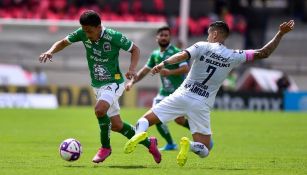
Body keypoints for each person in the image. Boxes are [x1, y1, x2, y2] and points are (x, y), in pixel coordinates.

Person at [123, 20, 295, 166]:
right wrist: (280, 33)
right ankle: (188, 145)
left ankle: (140, 135)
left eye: (208, 34)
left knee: (143, 120)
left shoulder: (202, 46)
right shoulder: (234, 55)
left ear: (214, 35)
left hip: (182, 95)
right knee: (205, 149)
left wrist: (163, 63)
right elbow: (263, 53)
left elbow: (182, 56)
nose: (207, 37)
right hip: (202, 104)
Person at [39, 10, 161, 164]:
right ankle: (150, 143)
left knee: (99, 110)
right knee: (117, 126)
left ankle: (105, 148)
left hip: (114, 82)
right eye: (84, 31)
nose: (87, 34)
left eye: (89, 31)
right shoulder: (83, 33)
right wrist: (50, 51)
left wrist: (131, 69)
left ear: (98, 27)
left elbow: (135, 49)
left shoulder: (113, 36)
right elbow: (63, 42)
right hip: (97, 85)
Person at [125, 26, 190, 151]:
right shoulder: (155, 54)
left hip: (177, 92)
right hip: (163, 93)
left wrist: (170, 72)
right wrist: (132, 82)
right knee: (156, 116)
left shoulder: (176, 52)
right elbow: (144, 71)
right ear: (157, 38)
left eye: (166, 35)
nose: (164, 37)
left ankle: (200, 133)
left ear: (170, 37)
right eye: (162, 35)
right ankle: (171, 143)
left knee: (180, 121)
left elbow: (185, 68)